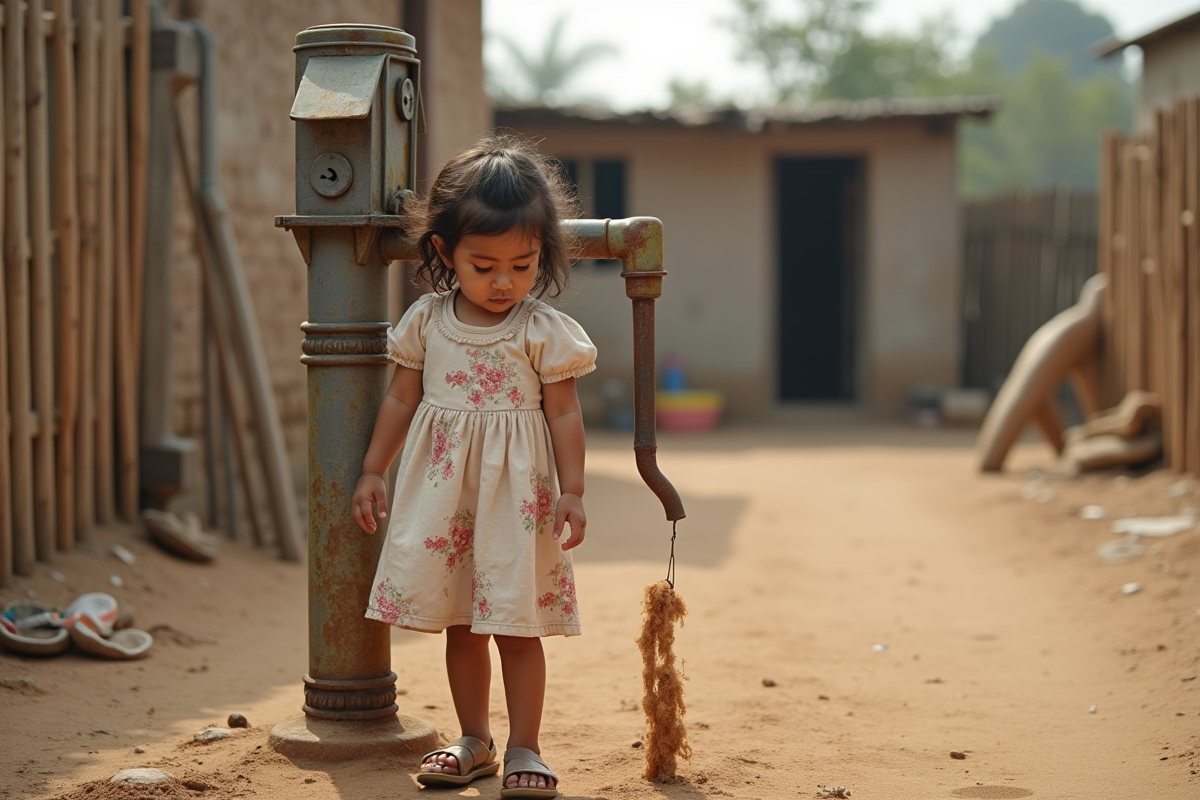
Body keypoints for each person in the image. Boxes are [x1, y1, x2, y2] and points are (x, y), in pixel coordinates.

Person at [352, 133, 593, 799]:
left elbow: (566, 415)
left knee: (513, 622)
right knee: (462, 621)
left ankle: (526, 747)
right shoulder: (427, 322)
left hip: (516, 500)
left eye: (522, 263)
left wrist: (573, 491)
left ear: (541, 253)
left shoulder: (542, 330)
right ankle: (475, 740)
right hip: (443, 497)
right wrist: (374, 469)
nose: (504, 281)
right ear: (443, 251)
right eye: (484, 264)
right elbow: (402, 396)